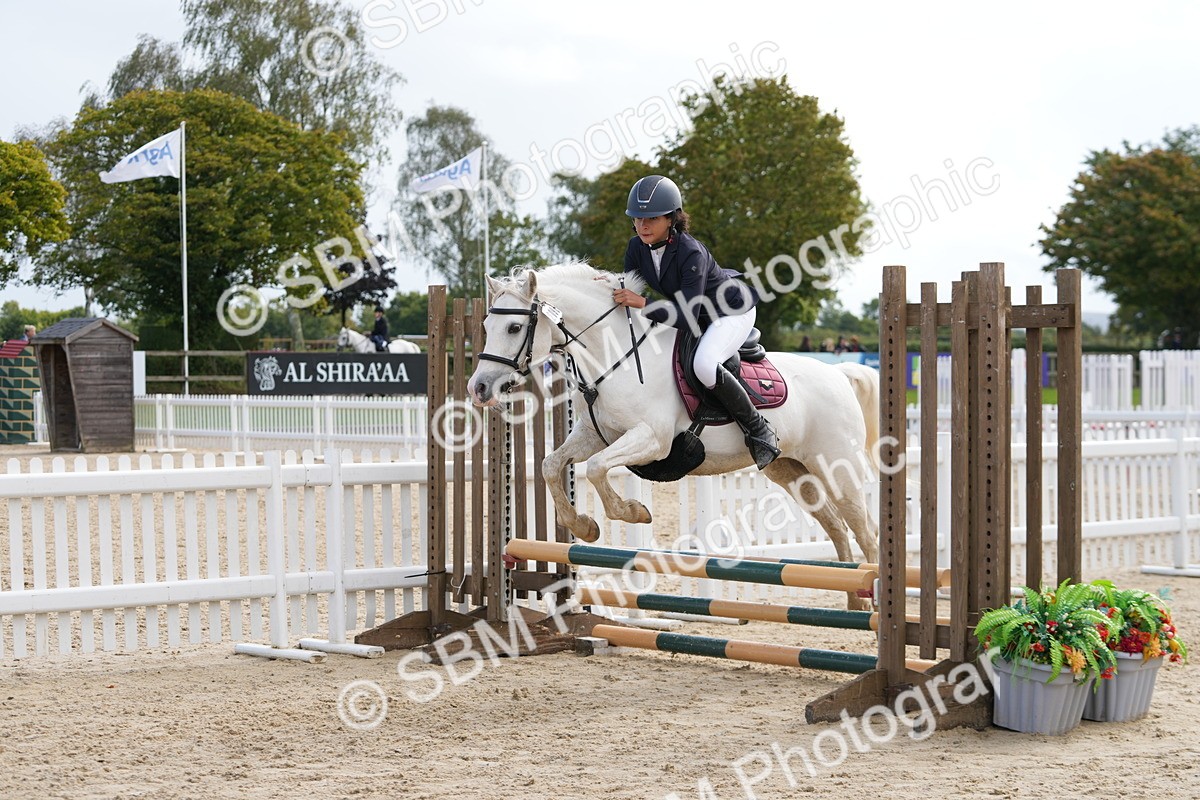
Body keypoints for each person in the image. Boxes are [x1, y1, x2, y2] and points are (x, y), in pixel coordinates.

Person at [611, 175, 780, 469]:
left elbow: (686, 315)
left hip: (730, 311)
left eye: (650, 218)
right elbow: (630, 286)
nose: (642, 226)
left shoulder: (690, 251)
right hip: (696, 312)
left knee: (703, 364)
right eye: (637, 219)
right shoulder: (636, 247)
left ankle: (759, 429)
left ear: (671, 218)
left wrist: (643, 304)